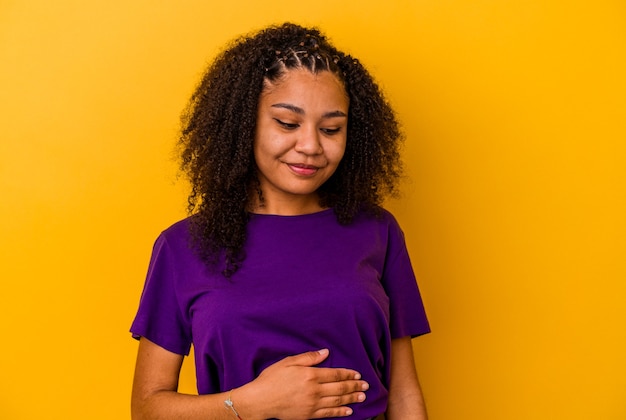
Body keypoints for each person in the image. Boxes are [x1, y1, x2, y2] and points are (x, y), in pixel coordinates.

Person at [130, 22, 430, 420]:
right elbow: (147, 409)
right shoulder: (183, 247)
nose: (310, 146)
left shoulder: (377, 231)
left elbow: (404, 393)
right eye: (287, 124)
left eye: (331, 129)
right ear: (244, 124)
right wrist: (251, 404)